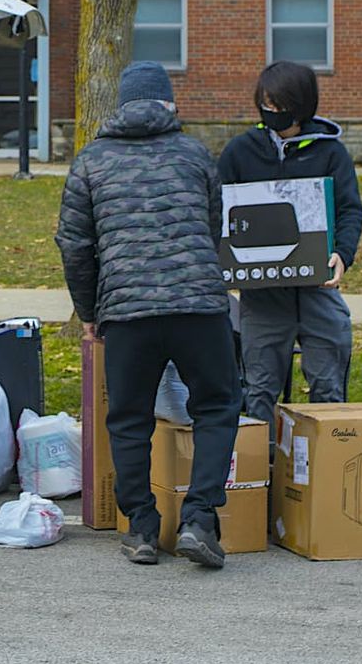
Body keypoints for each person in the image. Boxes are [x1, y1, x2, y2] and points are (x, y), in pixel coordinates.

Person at [56, 60, 241, 570]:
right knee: (218, 406)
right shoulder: (195, 153)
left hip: (129, 312)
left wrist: (90, 311)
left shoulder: (91, 161)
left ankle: (140, 527)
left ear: (121, 107)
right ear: (168, 105)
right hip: (199, 306)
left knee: (130, 419)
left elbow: (75, 245)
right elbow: (214, 226)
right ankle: (201, 519)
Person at [216, 59, 362, 418]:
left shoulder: (330, 152)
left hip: (318, 287)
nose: (272, 112)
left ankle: (325, 463)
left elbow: (350, 210)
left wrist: (342, 255)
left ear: (300, 106)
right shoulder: (240, 151)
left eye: (280, 106)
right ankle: (262, 465)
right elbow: (216, 210)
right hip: (263, 294)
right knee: (260, 385)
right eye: (266, 104)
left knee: (327, 383)